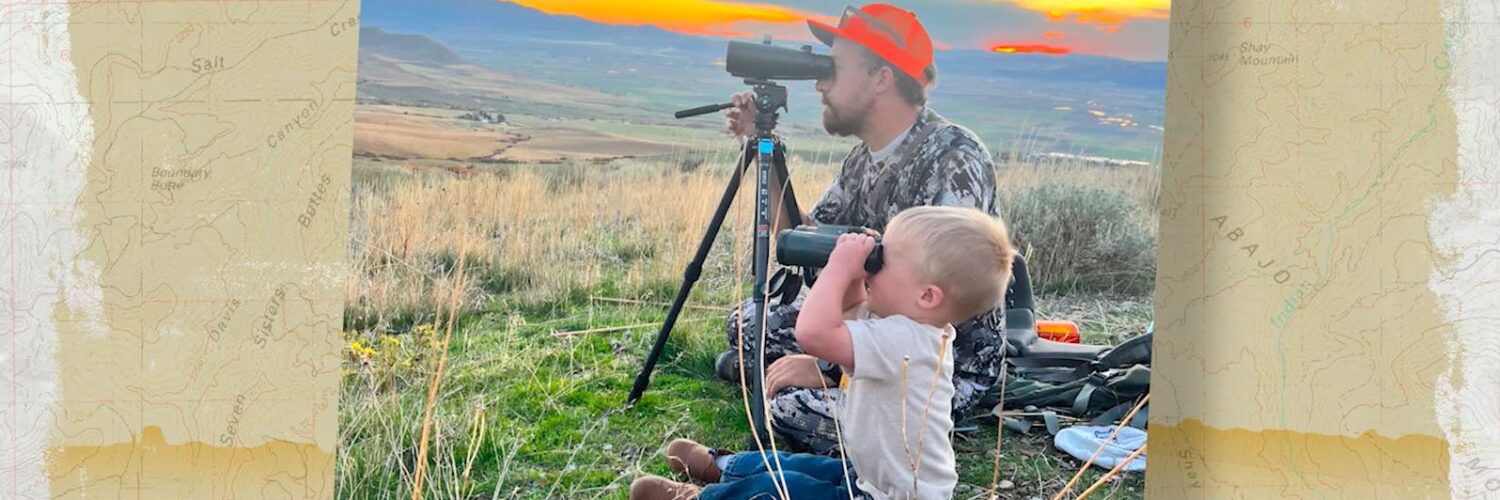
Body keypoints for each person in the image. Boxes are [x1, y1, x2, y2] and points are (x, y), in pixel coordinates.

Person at [719, 2, 1008, 455]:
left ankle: (789, 379)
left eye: (832, 69)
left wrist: (830, 366)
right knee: (747, 324)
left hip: (932, 360)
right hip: (868, 326)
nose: (819, 83)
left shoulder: (953, 157)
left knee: (790, 409)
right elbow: (803, 242)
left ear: (881, 78)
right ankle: (777, 369)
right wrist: (764, 152)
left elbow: (938, 302)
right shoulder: (862, 158)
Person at [632, 206, 1016, 500]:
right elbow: (847, 316)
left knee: (786, 490)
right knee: (801, 467)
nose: (873, 262)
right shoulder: (911, 326)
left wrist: (839, 265)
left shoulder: (907, 342)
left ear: (927, 295)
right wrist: (852, 277)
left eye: (885, 258)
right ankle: (725, 465)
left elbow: (814, 333)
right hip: (874, 478)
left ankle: (704, 496)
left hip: (885, 496)